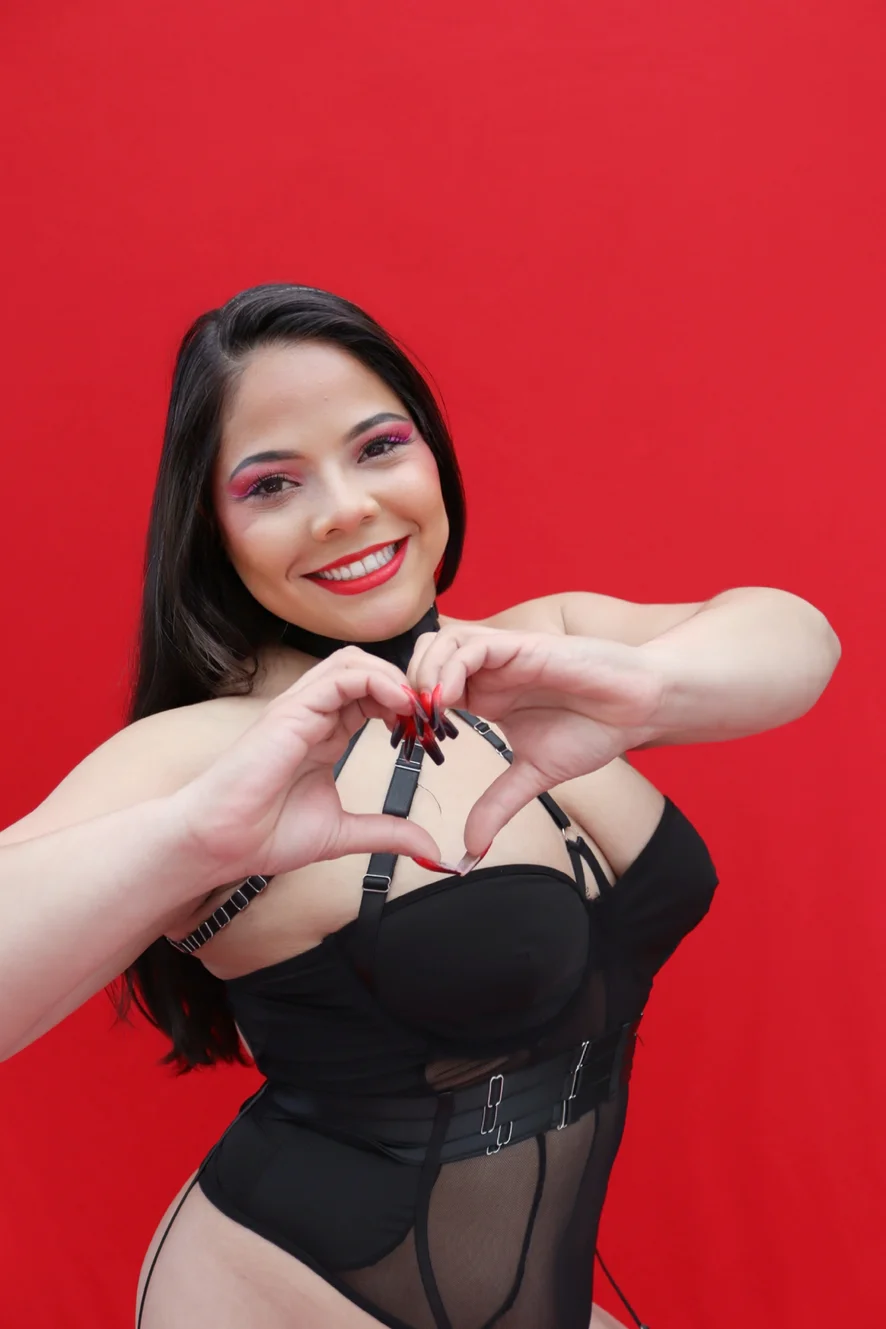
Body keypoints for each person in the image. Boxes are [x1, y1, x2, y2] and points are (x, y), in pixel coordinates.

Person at [0, 284, 841, 1329]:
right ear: (213, 529)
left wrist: (647, 689)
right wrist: (193, 838)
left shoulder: (542, 647)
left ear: (431, 453)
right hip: (281, 1295)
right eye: (271, 484)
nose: (344, 508)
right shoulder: (221, 750)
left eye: (378, 447)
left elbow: (800, 639)